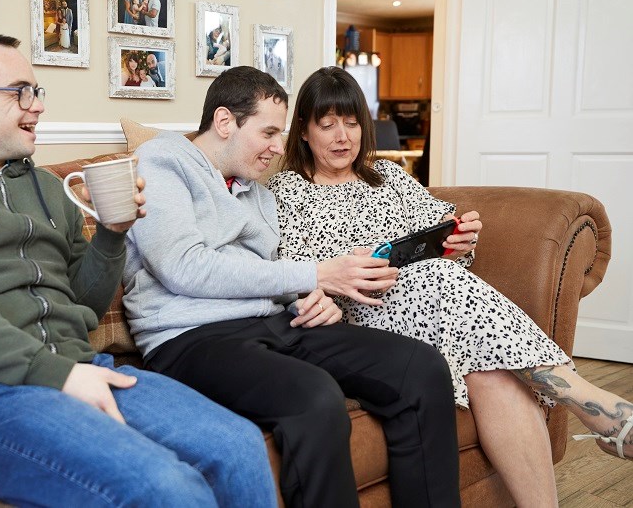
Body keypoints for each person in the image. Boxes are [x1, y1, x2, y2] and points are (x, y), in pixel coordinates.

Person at [0, 31, 277, 507]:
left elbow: (84, 303)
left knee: (237, 446)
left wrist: (113, 233)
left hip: (80, 368)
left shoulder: (46, 187)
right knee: (164, 486)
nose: (36, 105)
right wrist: (54, 373)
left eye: (37, 92)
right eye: (21, 92)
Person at [267, 66, 633, 504]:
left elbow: (442, 243)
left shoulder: (390, 178)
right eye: (327, 125)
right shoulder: (284, 193)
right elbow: (284, 275)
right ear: (304, 132)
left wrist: (458, 238)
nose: (342, 136)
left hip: (435, 312)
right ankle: (594, 406)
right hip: (359, 317)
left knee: (493, 372)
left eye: (350, 123)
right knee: (437, 277)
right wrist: (325, 289)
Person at [124, 65, 462, 508]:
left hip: (271, 323)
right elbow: (182, 267)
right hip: (188, 340)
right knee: (316, 398)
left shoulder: (257, 194)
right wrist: (315, 275)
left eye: (280, 134)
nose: (277, 147)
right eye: (268, 133)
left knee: (418, 367)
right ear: (225, 122)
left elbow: (271, 273)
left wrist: (313, 298)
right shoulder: (163, 162)